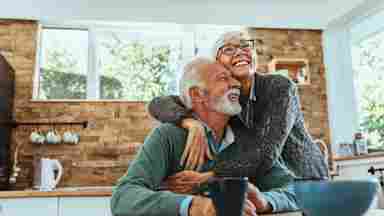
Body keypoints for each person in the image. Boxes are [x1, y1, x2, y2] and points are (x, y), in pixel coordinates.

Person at [111, 58, 298, 216]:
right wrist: (196, 206)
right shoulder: (168, 136)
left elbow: (296, 190)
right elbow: (123, 196)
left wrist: (264, 201)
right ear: (197, 94)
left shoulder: (249, 140)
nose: (236, 84)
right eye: (223, 78)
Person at [148, 31, 329, 179]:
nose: (240, 51)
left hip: (306, 180)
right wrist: (189, 122)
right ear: (217, 64)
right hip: (267, 186)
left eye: (245, 45)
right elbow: (158, 104)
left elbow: (265, 153)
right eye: (228, 49)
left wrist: (210, 175)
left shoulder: (280, 87)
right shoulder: (221, 99)